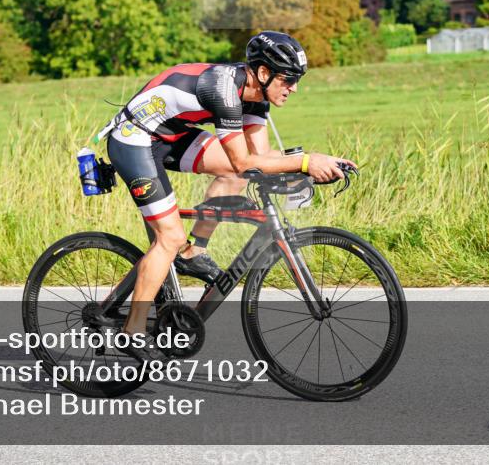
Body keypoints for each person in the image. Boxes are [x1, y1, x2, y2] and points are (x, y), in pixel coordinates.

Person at [97, 31, 356, 360]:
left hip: (170, 135)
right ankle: (131, 331)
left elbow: (260, 160)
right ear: (264, 73)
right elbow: (243, 160)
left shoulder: (257, 96)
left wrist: (313, 167)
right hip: (134, 138)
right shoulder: (222, 89)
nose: (294, 89)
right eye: (289, 80)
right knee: (169, 238)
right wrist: (305, 162)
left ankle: (194, 252)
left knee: (236, 174)